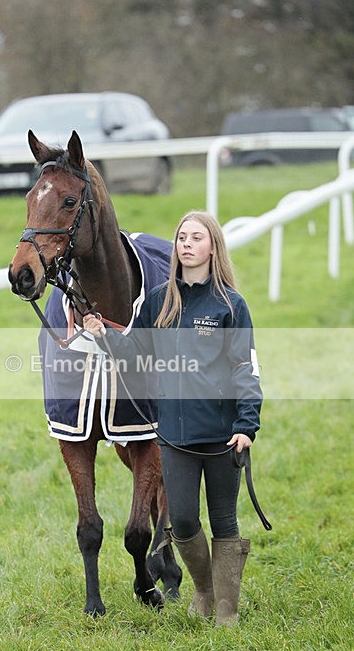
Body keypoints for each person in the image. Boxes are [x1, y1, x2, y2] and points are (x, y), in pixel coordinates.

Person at [84, 210, 263, 626]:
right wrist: (104, 335)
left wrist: (246, 426)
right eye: (181, 236)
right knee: (182, 521)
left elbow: (246, 369)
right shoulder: (161, 300)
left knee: (224, 522)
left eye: (195, 237)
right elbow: (135, 355)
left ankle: (226, 612)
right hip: (175, 438)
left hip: (223, 437)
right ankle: (204, 590)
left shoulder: (231, 305)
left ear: (212, 247)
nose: (185, 243)